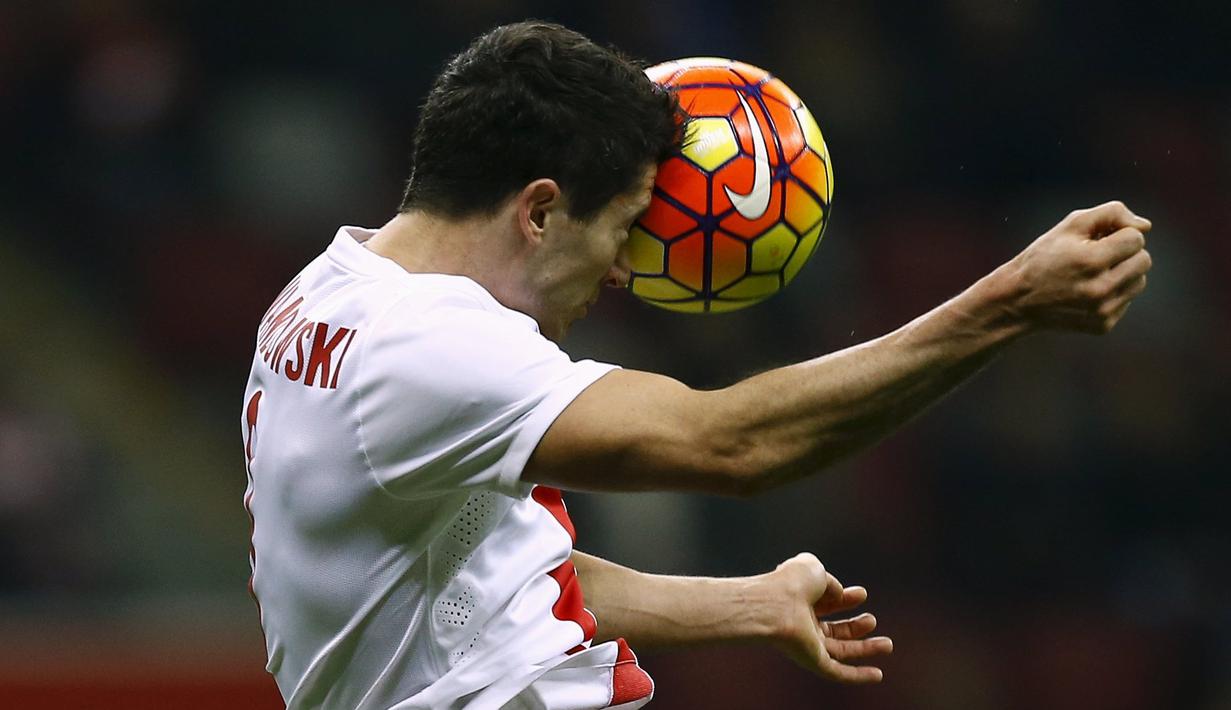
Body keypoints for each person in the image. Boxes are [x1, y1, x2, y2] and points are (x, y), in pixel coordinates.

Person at [240, 20, 1152, 710]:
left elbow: (490, 578)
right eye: (624, 227)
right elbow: (732, 446)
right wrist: (1005, 305)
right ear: (541, 211)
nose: (627, 271)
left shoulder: (329, 292)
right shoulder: (430, 347)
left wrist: (747, 604)